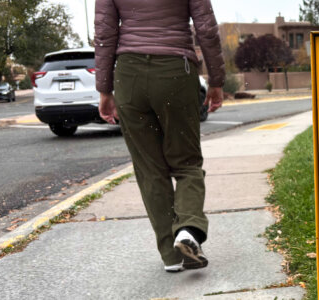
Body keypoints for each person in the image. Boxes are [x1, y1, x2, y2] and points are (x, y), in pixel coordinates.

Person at [94, 0, 225, 272]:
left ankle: (171, 255)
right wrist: (216, 80)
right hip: (175, 71)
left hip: (128, 75)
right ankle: (188, 230)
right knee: (187, 163)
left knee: (150, 169)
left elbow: (105, 33)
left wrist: (105, 90)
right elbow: (206, 29)